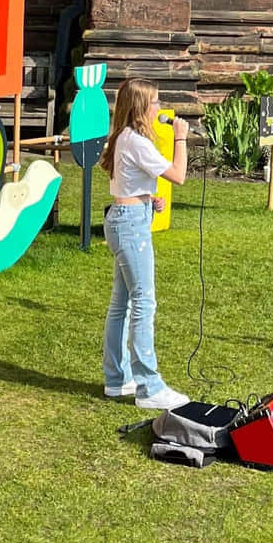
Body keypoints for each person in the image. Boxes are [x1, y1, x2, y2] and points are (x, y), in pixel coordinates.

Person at [98, 79, 190, 410]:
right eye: (154, 102)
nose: (159, 108)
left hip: (126, 217)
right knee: (143, 303)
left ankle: (117, 379)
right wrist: (180, 137)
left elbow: (127, 179)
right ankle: (149, 386)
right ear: (140, 108)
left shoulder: (125, 138)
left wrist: (149, 198)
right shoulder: (137, 141)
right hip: (131, 226)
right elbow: (178, 175)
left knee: (121, 303)